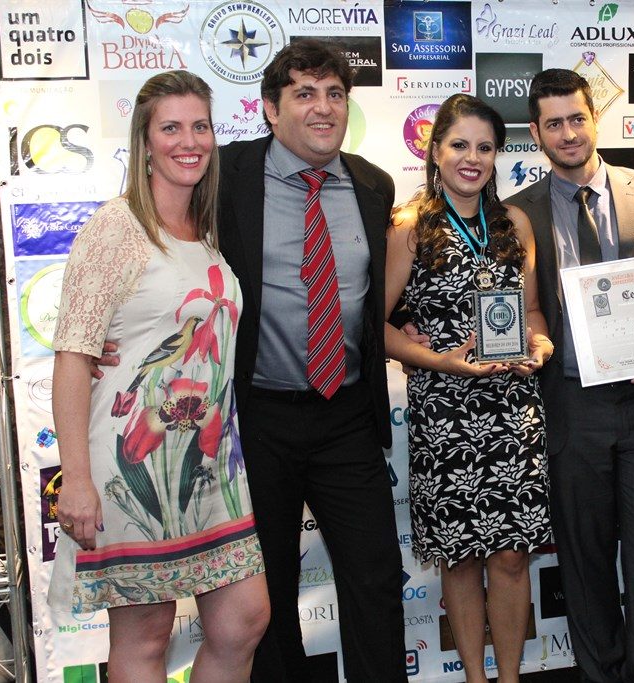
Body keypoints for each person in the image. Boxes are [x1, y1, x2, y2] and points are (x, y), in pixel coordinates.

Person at [49, 70, 269, 682]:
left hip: (208, 462)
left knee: (243, 620)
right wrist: (77, 480)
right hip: (135, 458)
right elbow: (72, 356)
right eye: (170, 128)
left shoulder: (206, 230)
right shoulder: (115, 229)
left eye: (199, 126)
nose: (188, 140)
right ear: (145, 142)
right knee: (146, 637)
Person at [216, 40, 405, 681]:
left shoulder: (374, 184)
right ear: (270, 109)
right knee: (265, 596)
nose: (323, 109)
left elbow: (388, 300)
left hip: (346, 414)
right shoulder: (224, 176)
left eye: (334, 94)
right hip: (257, 419)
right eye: (304, 93)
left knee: (376, 578)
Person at [505, 68, 634, 682]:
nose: (568, 132)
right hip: (570, 409)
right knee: (584, 567)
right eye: (554, 123)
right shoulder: (515, 213)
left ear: (595, 119)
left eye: (577, 118)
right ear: (535, 132)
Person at [384, 93, 554, 683]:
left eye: (485, 147)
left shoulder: (515, 223)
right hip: (445, 413)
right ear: (435, 151)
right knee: (459, 559)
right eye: (460, 144)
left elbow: (531, 311)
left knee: (511, 557)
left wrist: (540, 345)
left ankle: (509, 678)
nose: (472, 158)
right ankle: (475, 680)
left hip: (513, 411)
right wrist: (438, 359)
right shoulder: (410, 228)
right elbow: (373, 328)